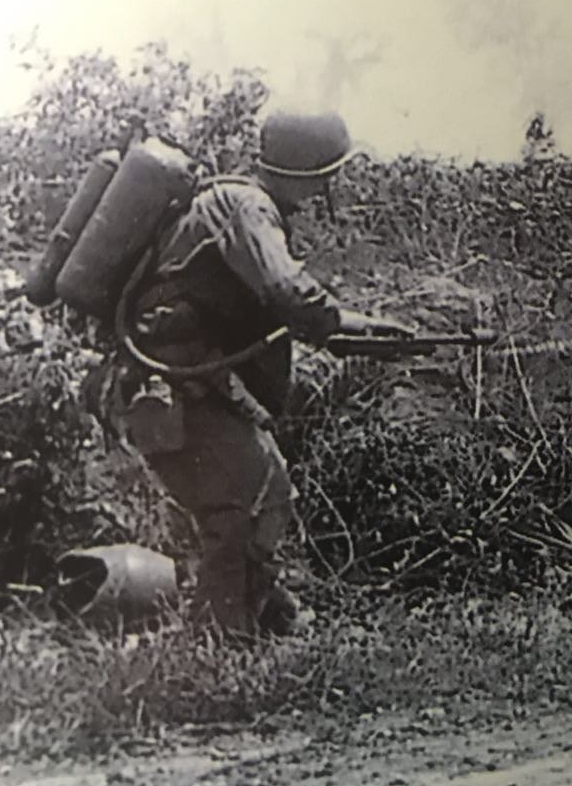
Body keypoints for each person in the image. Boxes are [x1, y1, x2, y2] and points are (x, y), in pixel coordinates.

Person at [91, 108, 412, 637]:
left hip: (184, 376)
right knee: (240, 505)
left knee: (269, 488)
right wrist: (337, 327)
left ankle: (263, 615)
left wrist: (368, 329)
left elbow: (288, 303)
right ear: (315, 171)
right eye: (331, 173)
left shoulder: (234, 198)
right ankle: (222, 639)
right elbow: (287, 291)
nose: (334, 183)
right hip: (170, 381)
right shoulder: (251, 207)